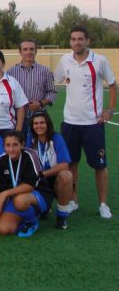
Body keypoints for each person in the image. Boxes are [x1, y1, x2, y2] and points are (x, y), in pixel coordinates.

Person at [54, 25, 116, 219]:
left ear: (87, 41)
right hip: (70, 123)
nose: (77, 42)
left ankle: (103, 204)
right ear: (70, 41)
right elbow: (53, 80)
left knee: (100, 165)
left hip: (93, 123)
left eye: (80, 39)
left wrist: (109, 110)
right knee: (71, 164)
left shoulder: (99, 61)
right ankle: (73, 200)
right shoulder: (65, 60)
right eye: (73, 39)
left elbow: (112, 84)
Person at [0, 131, 53, 237]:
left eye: (15, 145)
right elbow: (0, 193)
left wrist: (6, 193)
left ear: (22, 144)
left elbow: (30, 186)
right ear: (4, 146)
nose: (11, 149)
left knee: (20, 201)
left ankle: (32, 221)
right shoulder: (1, 161)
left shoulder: (30, 156)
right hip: (15, 198)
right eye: (8, 145)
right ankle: (23, 218)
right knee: (3, 230)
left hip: (39, 194)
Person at [28, 112, 73, 229]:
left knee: (66, 175)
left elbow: (64, 165)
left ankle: (61, 216)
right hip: (37, 179)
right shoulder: (30, 139)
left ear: (48, 124)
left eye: (42, 123)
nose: (39, 126)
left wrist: (43, 174)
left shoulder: (57, 138)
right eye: (36, 123)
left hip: (52, 177)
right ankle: (43, 208)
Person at [7, 39, 57, 140]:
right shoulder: (11, 72)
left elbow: (52, 92)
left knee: (41, 144)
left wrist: (40, 103)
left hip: (39, 116)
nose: (28, 52)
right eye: (25, 49)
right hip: (18, 118)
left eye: (31, 49)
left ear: (36, 51)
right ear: (20, 52)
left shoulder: (45, 71)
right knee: (19, 144)